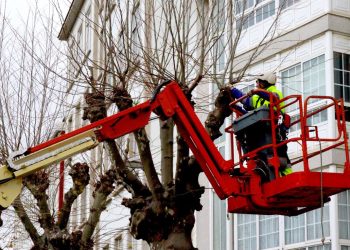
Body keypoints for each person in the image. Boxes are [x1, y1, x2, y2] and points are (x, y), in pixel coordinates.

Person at [230, 72, 292, 177]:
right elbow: (246, 100)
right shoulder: (256, 97)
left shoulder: (276, 93)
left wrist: (257, 92)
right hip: (263, 131)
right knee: (262, 156)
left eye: (258, 82)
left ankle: (288, 177)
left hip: (276, 131)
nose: (256, 84)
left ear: (264, 83)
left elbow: (272, 98)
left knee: (280, 157)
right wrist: (233, 91)